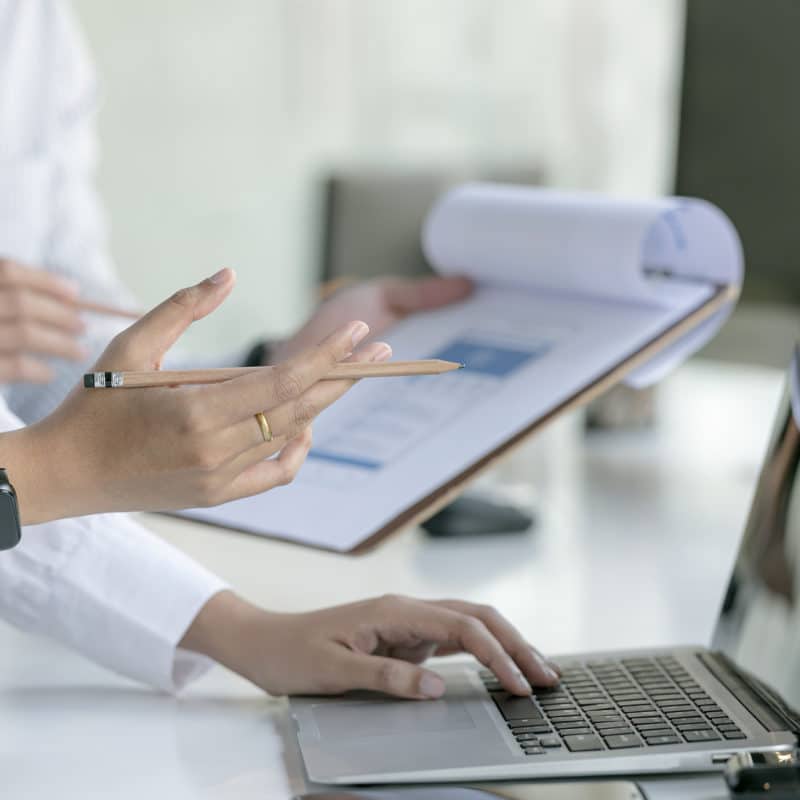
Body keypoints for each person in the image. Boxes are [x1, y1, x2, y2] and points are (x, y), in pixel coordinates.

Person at [0, 0, 560, 697]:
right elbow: (55, 460)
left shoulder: (34, 23)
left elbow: (64, 378)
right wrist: (236, 628)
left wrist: (274, 368)